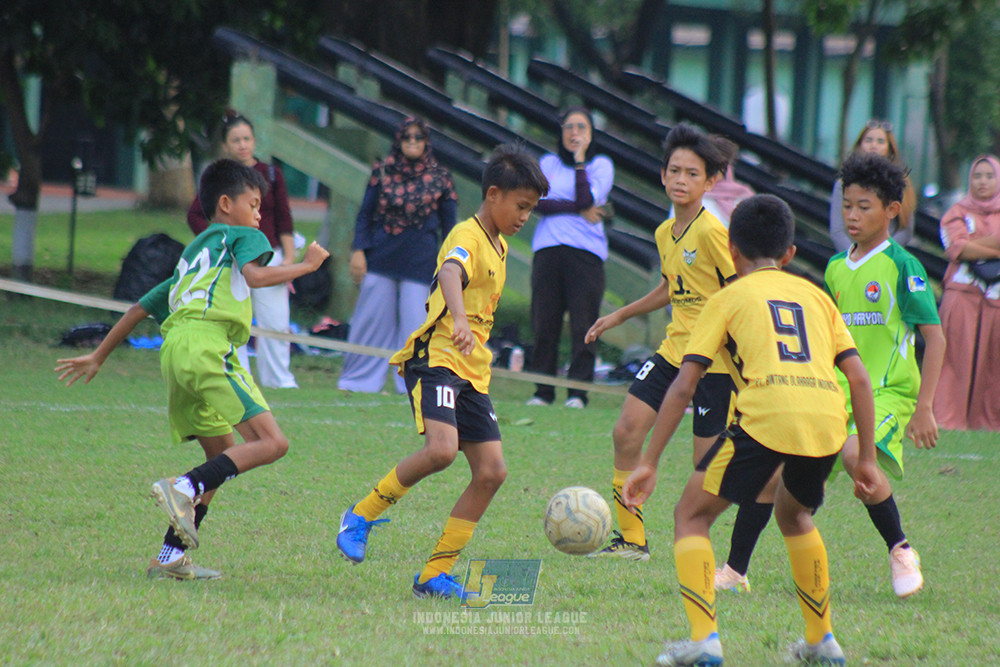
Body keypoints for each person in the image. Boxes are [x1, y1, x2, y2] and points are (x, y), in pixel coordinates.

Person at [622, 194, 880, 667]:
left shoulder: (726, 299)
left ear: (731, 248)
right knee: (795, 515)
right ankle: (822, 641)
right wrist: (865, 459)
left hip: (765, 417)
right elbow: (859, 378)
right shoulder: (817, 297)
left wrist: (649, 462)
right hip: (825, 422)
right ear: (789, 255)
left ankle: (704, 642)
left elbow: (683, 387)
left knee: (691, 516)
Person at [55, 159, 330, 580]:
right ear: (225, 203)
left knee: (220, 456)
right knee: (273, 443)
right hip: (208, 346)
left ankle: (169, 558)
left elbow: (139, 309)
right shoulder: (244, 236)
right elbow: (256, 278)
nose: (259, 215)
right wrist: (308, 266)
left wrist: (98, 355)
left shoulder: (193, 255)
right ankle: (182, 486)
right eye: (254, 204)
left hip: (175, 352)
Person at [717, 152, 945, 600]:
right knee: (772, 465)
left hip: (887, 392)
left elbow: (933, 340)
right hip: (833, 389)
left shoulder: (904, 266)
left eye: (864, 206)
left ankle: (900, 550)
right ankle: (736, 569)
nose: (853, 215)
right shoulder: (837, 268)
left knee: (855, 453)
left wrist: (925, 407)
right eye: (847, 206)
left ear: (892, 211)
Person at [334, 144, 548, 599]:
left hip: (472, 370)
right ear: (494, 194)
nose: (525, 216)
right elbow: (451, 274)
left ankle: (435, 573)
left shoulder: (501, 245)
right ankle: (361, 514)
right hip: (438, 359)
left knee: (491, 472)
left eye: (531, 209)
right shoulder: (465, 236)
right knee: (442, 451)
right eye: (522, 206)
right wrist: (462, 320)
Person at [584, 123, 737, 561]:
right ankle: (632, 540)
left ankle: (733, 537)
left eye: (692, 173)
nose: (680, 180)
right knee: (626, 430)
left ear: (709, 182)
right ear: (663, 175)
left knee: (706, 469)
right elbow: (673, 288)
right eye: (674, 171)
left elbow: (738, 292)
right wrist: (619, 314)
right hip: (674, 351)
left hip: (716, 361)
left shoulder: (712, 233)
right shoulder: (664, 232)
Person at [338, 117, 458, 394]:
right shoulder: (382, 171)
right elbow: (365, 215)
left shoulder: (441, 178)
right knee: (370, 322)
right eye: (407, 137)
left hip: (421, 263)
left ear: (427, 142)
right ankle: (358, 382)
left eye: (418, 137)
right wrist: (358, 250)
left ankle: (414, 386)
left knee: (416, 327)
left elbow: (450, 226)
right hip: (381, 258)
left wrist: (450, 263)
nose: (413, 142)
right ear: (399, 141)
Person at [188, 111, 300, 389]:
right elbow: (196, 214)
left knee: (275, 320)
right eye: (235, 140)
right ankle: (237, 374)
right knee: (233, 318)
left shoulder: (272, 174)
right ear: (225, 145)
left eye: (247, 138)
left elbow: (284, 218)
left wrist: (289, 260)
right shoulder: (219, 179)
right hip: (232, 257)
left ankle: (279, 380)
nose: (242, 145)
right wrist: (218, 242)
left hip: (268, 254)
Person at [526, 106, 614, 409]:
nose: (574, 133)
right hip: (548, 249)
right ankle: (543, 391)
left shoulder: (601, 165)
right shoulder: (548, 163)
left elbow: (587, 198)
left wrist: (579, 164)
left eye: (581, 127)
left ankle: (578, 393)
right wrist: (577, 207)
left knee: (583, 324)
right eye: (568, 127)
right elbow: (537, 202)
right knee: (544, 322)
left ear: (591, 134)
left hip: (586, 254)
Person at [934, 155, 1000, 430]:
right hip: (961, 294)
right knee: (953, 360)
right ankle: (947, 420)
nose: (983, 182)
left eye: (989, 176)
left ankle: (988, 424)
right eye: (977, 176)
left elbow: (967, 246)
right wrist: (995, 248)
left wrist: (974, 245)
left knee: (993, 365)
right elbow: (957, 248)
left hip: (995, 299)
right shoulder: (956, 212)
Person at [829, 119, 916, 253]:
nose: (873, 146)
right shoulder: (842, 184)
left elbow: (905, 230)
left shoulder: (902, 184)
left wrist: (881, 255)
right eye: (868, 140)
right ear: (859, 145)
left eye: (880, 141)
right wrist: (857, 256)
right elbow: (837, 231)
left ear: (890, 148)